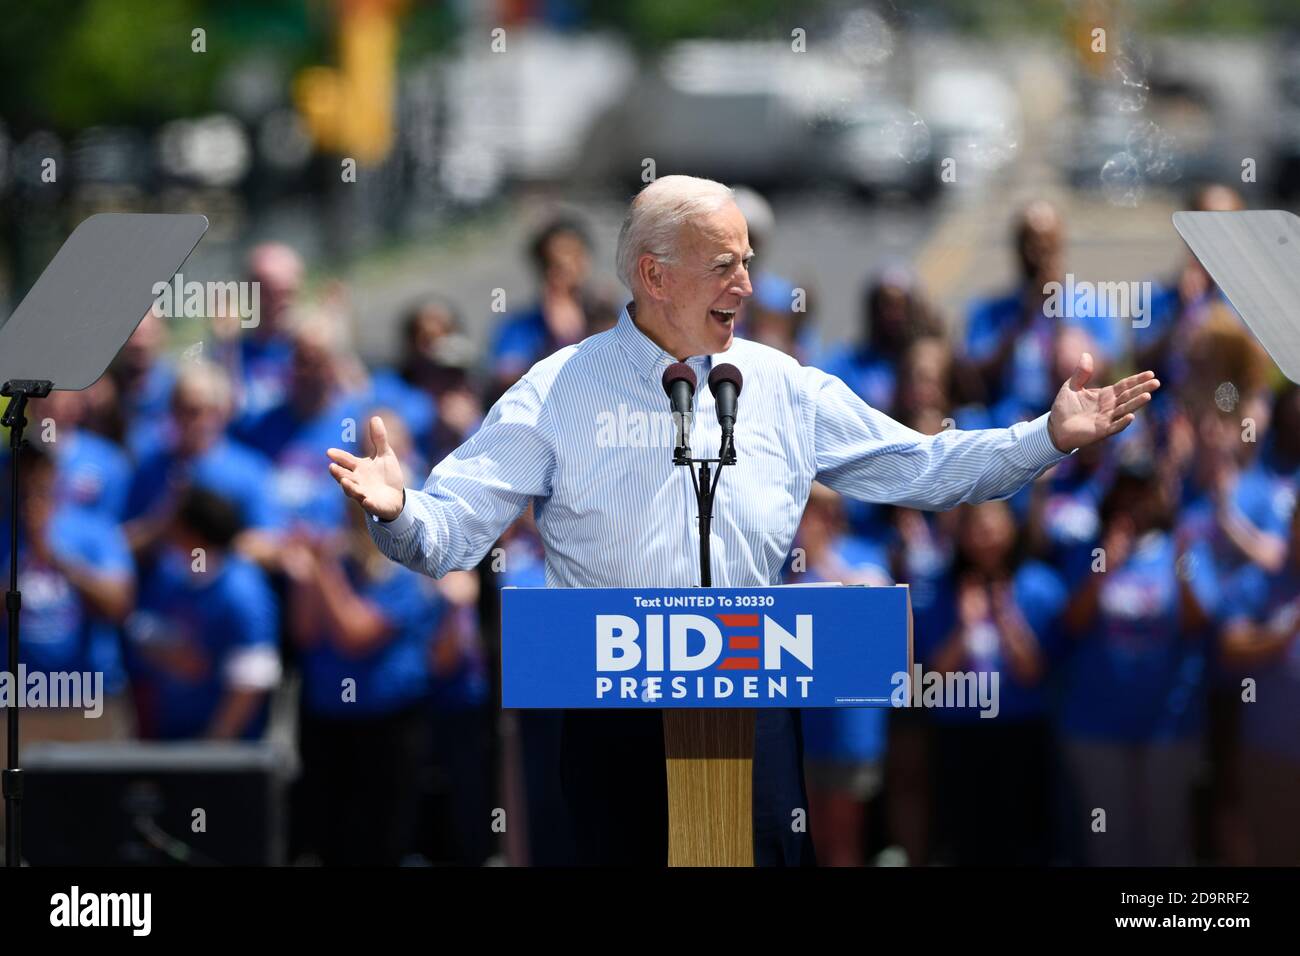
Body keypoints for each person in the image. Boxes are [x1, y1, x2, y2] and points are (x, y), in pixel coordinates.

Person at [329, 174, 1161, 866]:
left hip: (752, 709)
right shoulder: (558, 390)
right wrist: (399, 510)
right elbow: (452, 532)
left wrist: (1045, 438)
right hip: (612, 718)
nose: (747, 287)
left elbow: (924, 469)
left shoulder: (780, 386)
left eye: (747, 263)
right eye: (724, 265)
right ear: (654, 276)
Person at [124, 487, 281, 741]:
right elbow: (141, 630)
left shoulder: (241, 590)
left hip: (226, 751)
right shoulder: (171, 574)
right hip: (169, 735)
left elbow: (253, 677)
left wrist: (215, 741)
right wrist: (170, 653)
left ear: (192, 532)